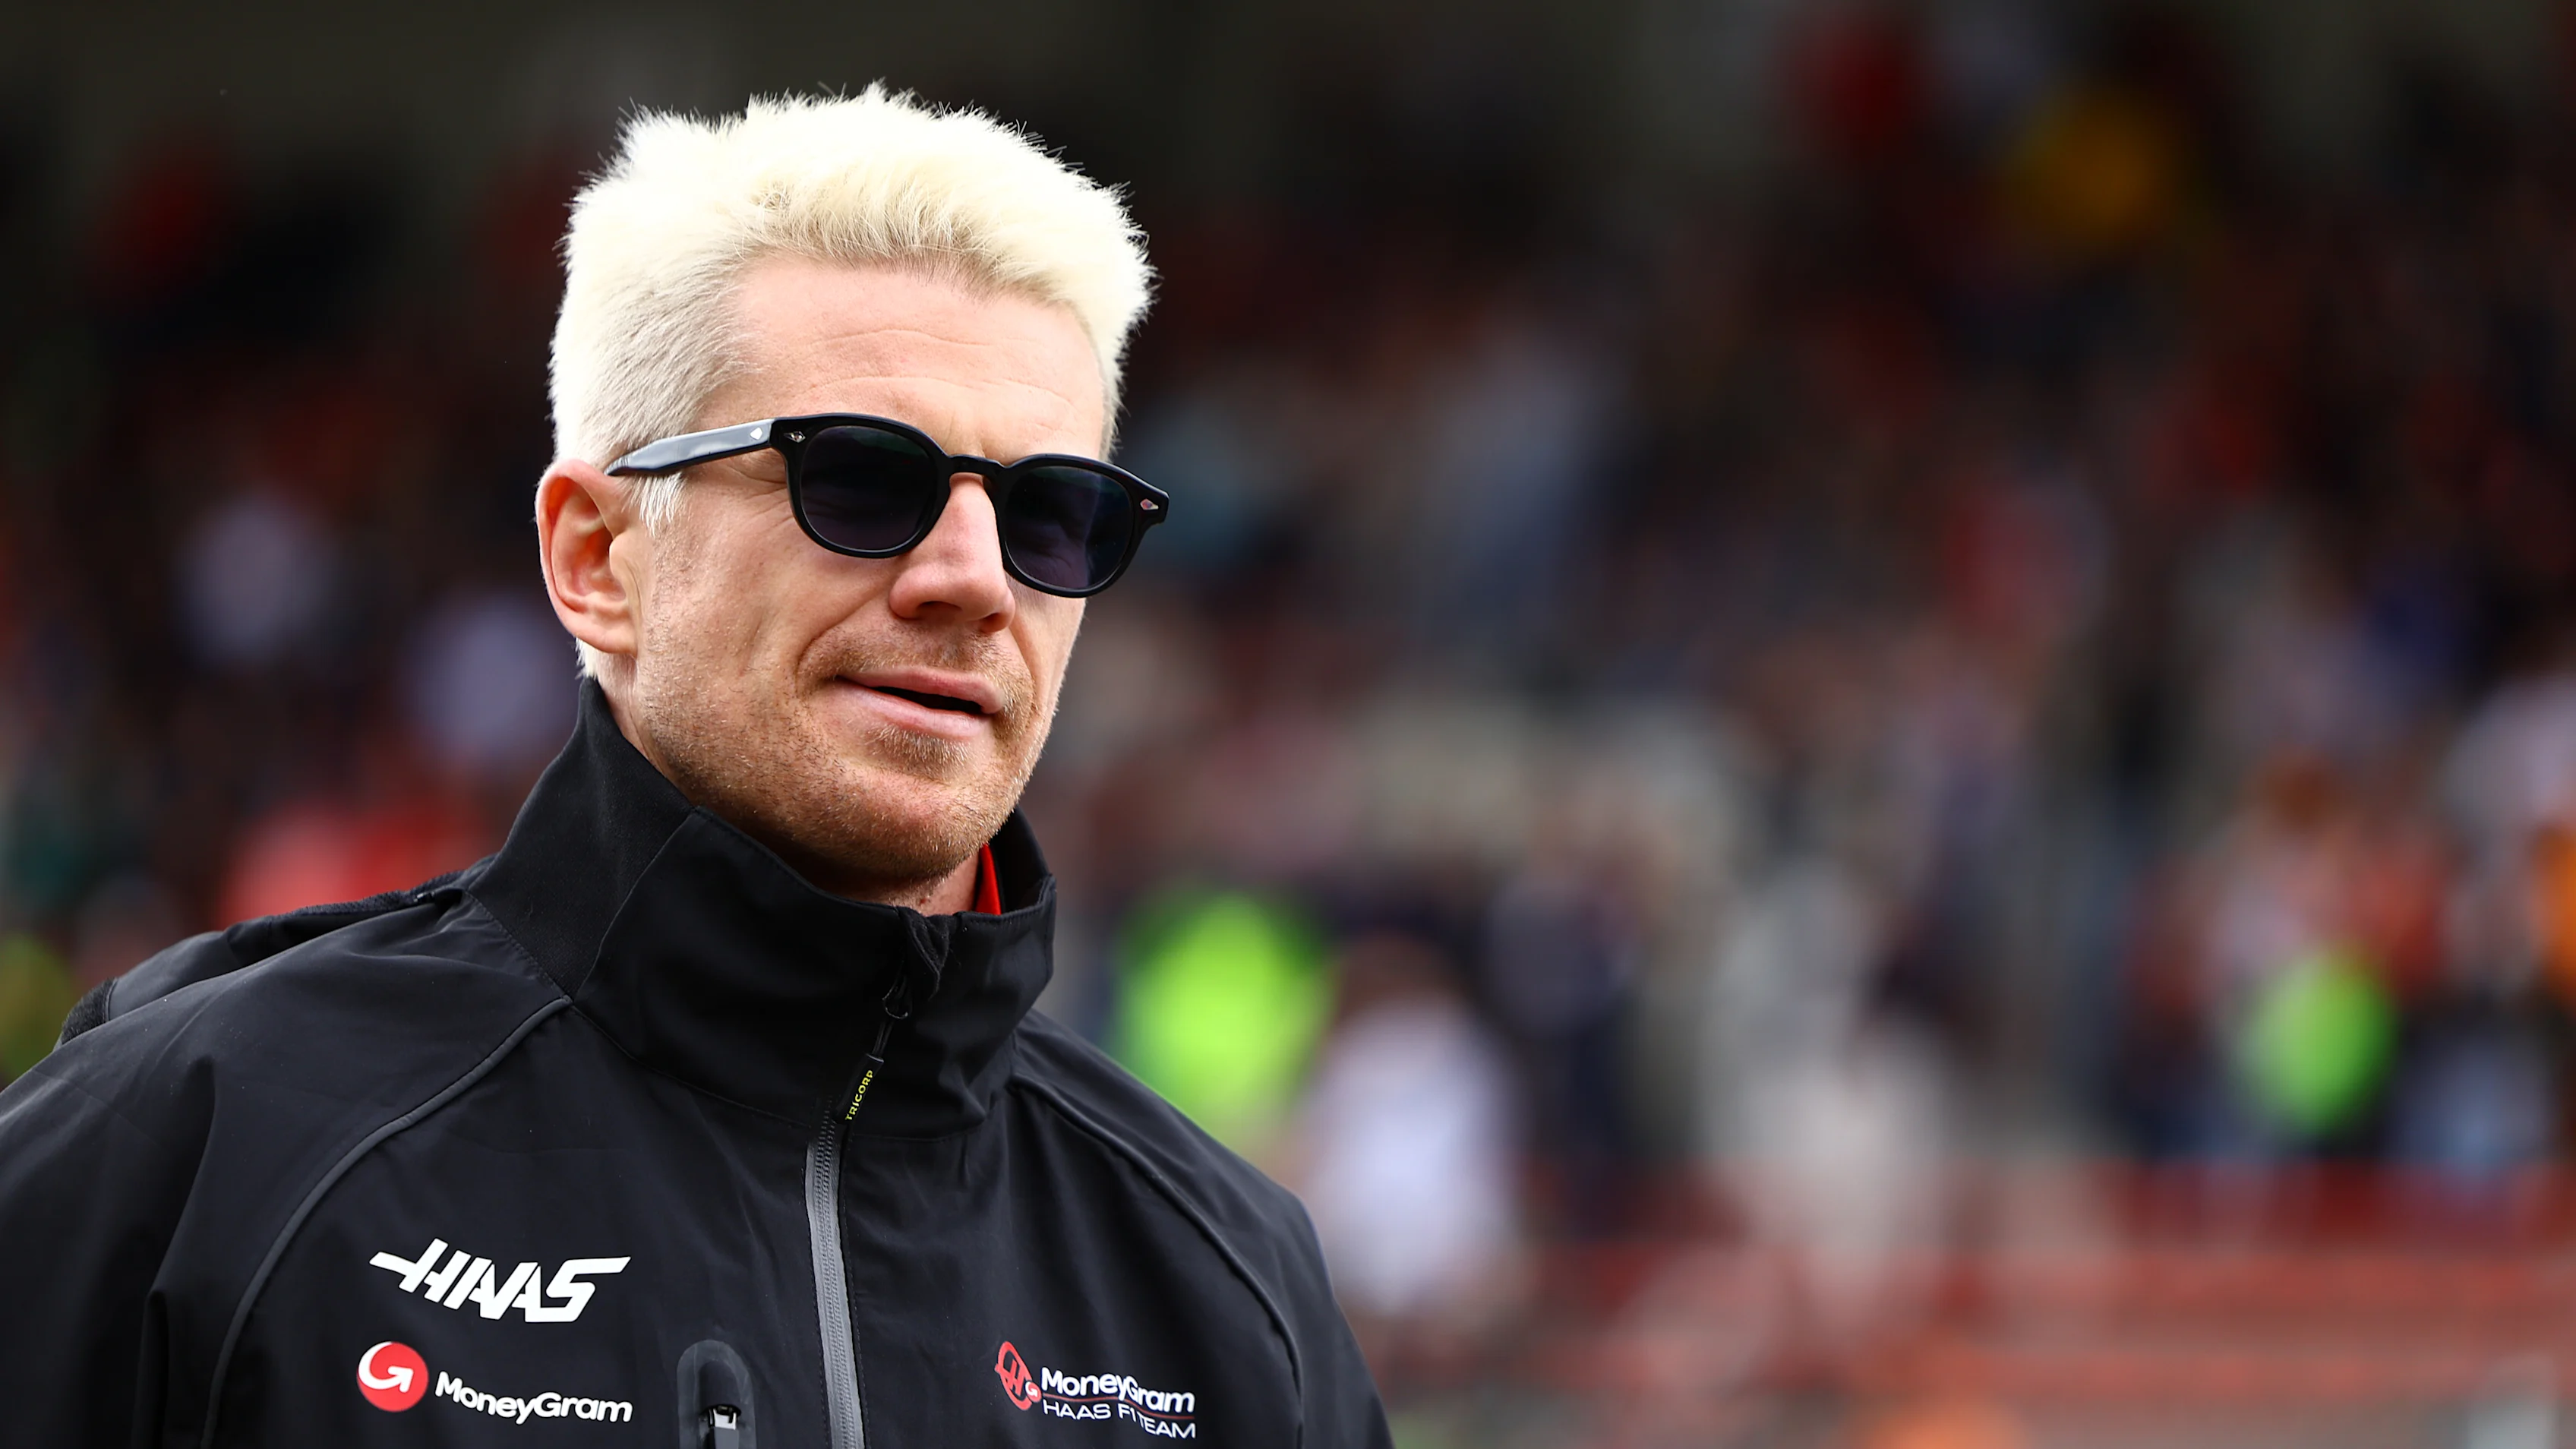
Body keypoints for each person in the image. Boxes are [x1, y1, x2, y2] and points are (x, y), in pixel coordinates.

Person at [0, 90, 1392, 1448]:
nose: (975, 582)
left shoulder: (1231, 1292)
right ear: (596, 559)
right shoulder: (195, 1149)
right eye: (859, 478)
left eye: (1053, 512)